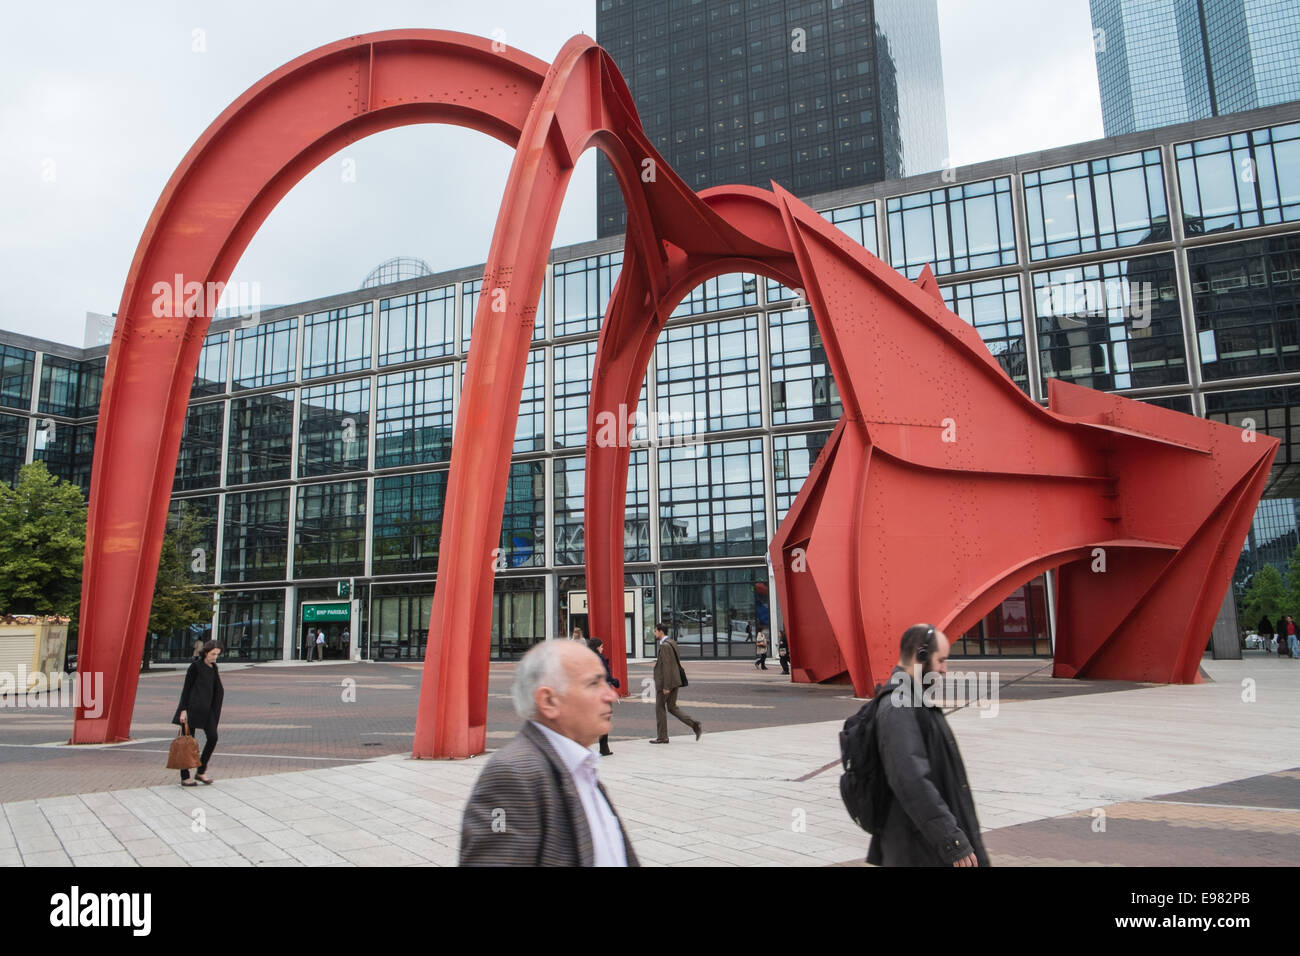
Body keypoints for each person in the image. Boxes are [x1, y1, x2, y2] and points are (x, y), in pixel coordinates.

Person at [459, 639, 638, 866]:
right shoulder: (513, 775)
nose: (611, 695)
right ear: (548, 701)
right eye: (593, 684)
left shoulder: (581, 766)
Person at [867, 624, 988, 868]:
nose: (944, 669)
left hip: (925, 846)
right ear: (920, 656)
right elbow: (911, 781)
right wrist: (952, 842)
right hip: (917, 850)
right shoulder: (899, 705)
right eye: (941, 660)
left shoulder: (914, 700)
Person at [172, 640, 224, 787]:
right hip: (191, 709)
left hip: (207, 710)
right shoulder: (195, 667)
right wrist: (183, 710)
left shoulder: (213, 667)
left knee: (213, 737)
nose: (215, 657)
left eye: (217, 654)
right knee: (187, 743)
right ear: (206, 652)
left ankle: (201, 771)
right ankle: (185, 777)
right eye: (213, 654)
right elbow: (186, 689)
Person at [650, 622, 701, 744]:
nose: (654, 633)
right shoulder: (672, 643)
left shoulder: (665, 646)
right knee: (672, 707)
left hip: (666, 683)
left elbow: (667, 667)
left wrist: (666, 686)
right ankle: (694, 724)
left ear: (661, 631)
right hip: (675, 680)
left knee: (660, 708)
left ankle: (662, 737)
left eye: (655, 631)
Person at [588, 637, 620, 756]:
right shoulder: (600, 658)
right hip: (602, 692)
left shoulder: (587, 658)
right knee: (604, 718)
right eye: (601, 646)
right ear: (597, 647)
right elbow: (605, 675)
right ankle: (604, 747)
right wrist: (614, 681)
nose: (603, 649)